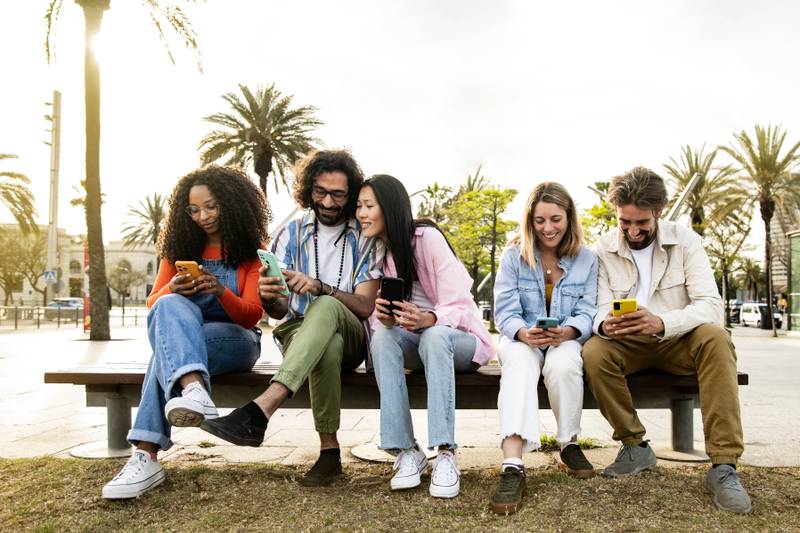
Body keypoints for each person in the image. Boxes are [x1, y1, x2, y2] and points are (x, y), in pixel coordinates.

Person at [201, 150, 383, 486]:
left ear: (351, 193)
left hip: (352, 334)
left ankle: (261, 409)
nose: (327, 202)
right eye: (320, 192)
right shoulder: (290, 231)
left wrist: (320, 287)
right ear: (309, 189)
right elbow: (280, 313)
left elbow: (365, 306)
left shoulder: (365, 235)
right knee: (326, 345)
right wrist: (271, 296)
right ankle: (330, 454)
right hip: (298, 333)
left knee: (325, 306)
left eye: (338, 195)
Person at [583, 166, 752, 514]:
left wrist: (661, 322)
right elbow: (596, 307)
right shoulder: (601, 248)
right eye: (624, 222)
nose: (632, 230)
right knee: (594, 351)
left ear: (659, 211)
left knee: (717, 339)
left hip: (679, 339)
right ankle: (634, 446)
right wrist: (604, 325)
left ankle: (723, 465)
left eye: (641, 223)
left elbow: (710, 305)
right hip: (628, 343)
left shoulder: (686, 241)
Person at [102, 166, 271, 499]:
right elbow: (155, 305)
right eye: (193, 210)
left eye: (210, 206)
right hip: (187, 346)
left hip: (237, 341)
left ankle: (145, 454)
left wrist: (221, 291)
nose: (202, 216)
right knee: (168, 306)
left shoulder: (253, 251)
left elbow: (252, 317)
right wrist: (174, 288)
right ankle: (192, 396)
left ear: (232, 203)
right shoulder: (179, 246)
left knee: (164, 356)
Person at [357, 175, 494, 498]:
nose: (361, 213)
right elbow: (383, 328)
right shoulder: (380, 251)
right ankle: (407, 451)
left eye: (368, 206)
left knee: (434, 336)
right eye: (359, 207)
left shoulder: (427, 238)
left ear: (388, 208)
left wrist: (429, 318)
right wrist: (386, 318)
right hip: (419, 345)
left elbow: (460, 303)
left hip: (461, 342)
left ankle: (445, 453)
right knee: (382, 338)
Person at [489, 182, 598, 515]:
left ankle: (569, 443)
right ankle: (512, 465)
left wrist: (569, 331)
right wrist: (523, 332)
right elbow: (504, 309)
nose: (548, 228)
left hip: (566, 338)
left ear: (569, 218)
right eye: (539, 221)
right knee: (520, 364)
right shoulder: (513, 256)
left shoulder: (587, 259)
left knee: (565, 365)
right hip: (522, 339)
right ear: (529, 221)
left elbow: (589, 308)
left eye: (555, 219)